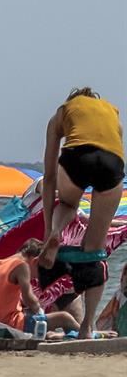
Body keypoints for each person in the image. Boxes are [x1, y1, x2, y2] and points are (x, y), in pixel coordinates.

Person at [36, 87, 124, 338]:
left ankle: (57, 231)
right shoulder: (112, 113)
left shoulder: (62, 113)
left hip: (77, 158)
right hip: (111, 163)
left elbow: (50, 175)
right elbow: (117, 151)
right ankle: (87, 326)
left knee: (69, 205)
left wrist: (47, 231)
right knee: (95, 250)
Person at [0, 240, 79, 336]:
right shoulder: (22, 266)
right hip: (11, 323)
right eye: (41, 271)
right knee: (64, 318)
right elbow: (30, 300)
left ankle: (64, 335)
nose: (36, 277)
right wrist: (39, 310)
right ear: (35, 261)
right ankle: (86, 336)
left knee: (37, 318)